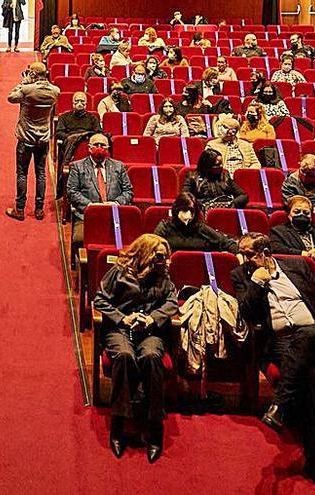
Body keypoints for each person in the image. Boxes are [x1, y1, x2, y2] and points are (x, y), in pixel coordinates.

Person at [232, 232, 315, 495]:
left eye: (249, 254)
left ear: (265, 253)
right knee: (305, 382)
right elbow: (246, 312)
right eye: (242, 254)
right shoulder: (241, 275)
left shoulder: (296, 266)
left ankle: (280, 405)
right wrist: (256, 285)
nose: (244, 259)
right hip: (281, 342)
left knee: (307, 334)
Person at [93, 233, 177, 463]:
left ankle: (154, 426)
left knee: (151, 356)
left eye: (166, 257)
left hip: (150, 330)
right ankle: (119, 423)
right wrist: (122, 318)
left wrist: (153, 318)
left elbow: (172, 301)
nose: (166, 262)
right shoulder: (120, 272)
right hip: (121, 329)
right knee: (124, 355)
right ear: (146, 255)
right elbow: (99, 300)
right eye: (161, 257)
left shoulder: (163, 276)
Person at [5, 62, 60, 221]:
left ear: (34, 74)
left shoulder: (27, 90)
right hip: (43, 138)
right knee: (41, 173)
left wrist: (25, 82)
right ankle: (39, 209)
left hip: (26, 137)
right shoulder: (55, 91)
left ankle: (20, 209)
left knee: (22, 173)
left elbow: (11, 97)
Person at [66, 133, 133, 243]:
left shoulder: (118, 166)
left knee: (129, 240)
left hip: (114, 214)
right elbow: (72, 191)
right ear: (89, 148)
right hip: (87, 215)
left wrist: (116, 203)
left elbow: (128, 191)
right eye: (96, 145)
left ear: (108, 149)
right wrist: (90, 206)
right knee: (79, 239)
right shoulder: (77, 166)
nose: (99, 148)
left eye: (103, 145)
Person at [154, 193, 238, 253]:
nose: (188, 214)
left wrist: (239, 255)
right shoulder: (164, 227)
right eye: (184, 210)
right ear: (176, 210)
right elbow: (152, 248)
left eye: (191, 210)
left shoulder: (200, 228)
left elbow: (226, 242)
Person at [181, 148, 248, 209]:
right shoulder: (193, 178)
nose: (221, 166)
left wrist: (232, 204)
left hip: (224, 210)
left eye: (221, 163)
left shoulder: (225, 176)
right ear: (207, 166)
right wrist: (202, 205)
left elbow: (243, 195)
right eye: (217, 165)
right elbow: (185, 197)